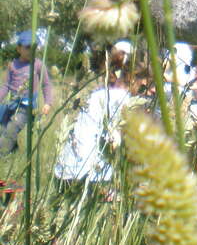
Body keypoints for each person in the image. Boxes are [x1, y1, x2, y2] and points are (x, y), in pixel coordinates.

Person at [54, 47, 131, 185]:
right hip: (93, 174)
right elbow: (117, 140)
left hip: (66, 168)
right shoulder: (123, 98)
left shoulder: (96, 94)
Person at [0, 30, 53, 155]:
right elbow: (6, 85)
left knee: (13, 127)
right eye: (28, 47)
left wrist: (48, 103)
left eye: (34, 47)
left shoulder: (38, 65)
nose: (31, 50)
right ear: (18, 49)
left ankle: (2, 154)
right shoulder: (13, 65)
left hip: (26, 107)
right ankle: (13, 153)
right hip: (11, 103)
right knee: (3, 128)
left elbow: (46, 85)